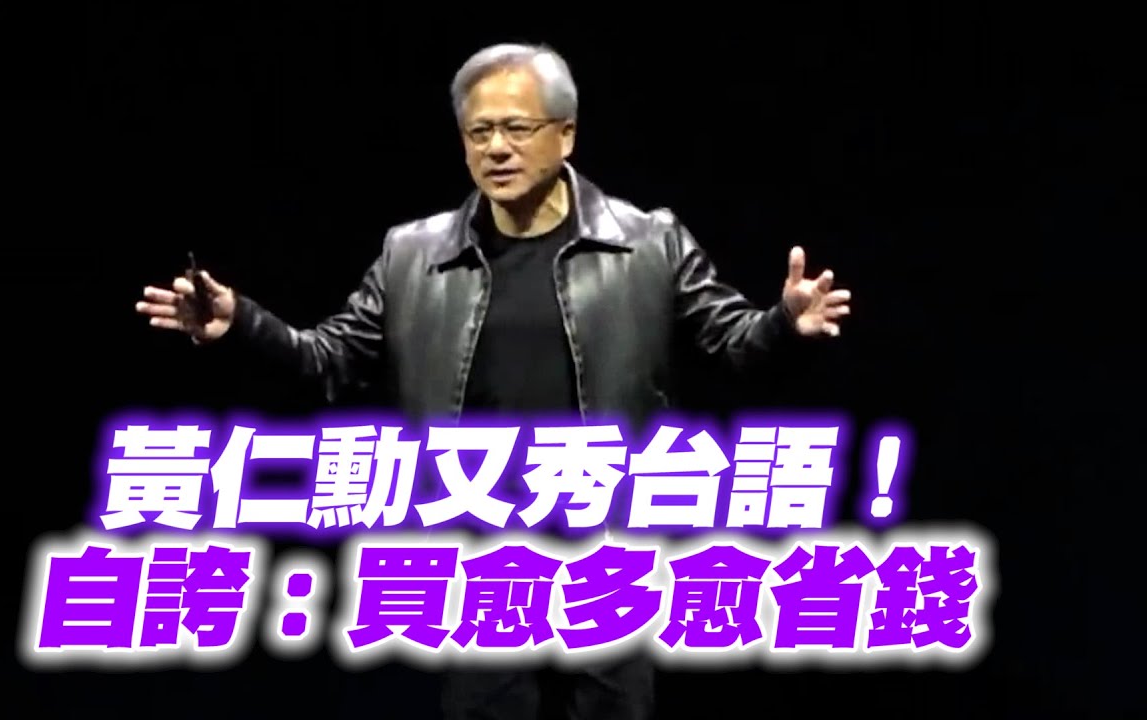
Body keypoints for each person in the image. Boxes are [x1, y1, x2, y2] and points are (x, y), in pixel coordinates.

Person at [136, 42, 850, 720]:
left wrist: (785, 324)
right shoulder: (412, 254)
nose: (496, 148)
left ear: (565, 135)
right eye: (479, 133)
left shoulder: (648, 242)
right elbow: (327, 361)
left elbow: (731, 345)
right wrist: (243, 324)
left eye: (516, 128)